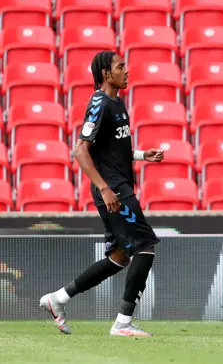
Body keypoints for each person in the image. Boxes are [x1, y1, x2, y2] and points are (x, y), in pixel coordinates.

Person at [39, 51, 164, 337]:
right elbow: (80, 150)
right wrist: (105, 188)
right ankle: (122, 323)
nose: (127, 71)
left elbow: (111, 152)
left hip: (117, 185)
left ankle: (57, 299)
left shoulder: (117, 103)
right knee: (145, 245)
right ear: (106, 73)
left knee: (120, 256)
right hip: (113, 189)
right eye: (121, 67)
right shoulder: (99, 102)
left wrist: (144, 155)